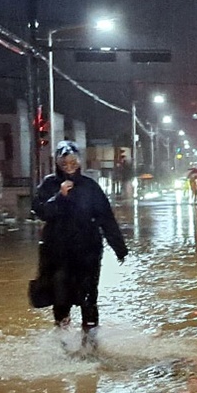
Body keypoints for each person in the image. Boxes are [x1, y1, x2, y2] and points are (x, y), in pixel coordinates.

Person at [32, 141, 128, 329]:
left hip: (88, 252)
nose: (69, 166)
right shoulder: (49, 184)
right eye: (64, 163)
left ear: (79, 162)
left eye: (73, 162)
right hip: (58, 253)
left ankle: (90, 344)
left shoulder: (90, 187)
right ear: (58, 163)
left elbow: (106, 218)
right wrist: (60, 196)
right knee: (60, 298)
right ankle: (63, 340)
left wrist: (119, 248)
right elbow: (41, 212)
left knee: (88, 298)